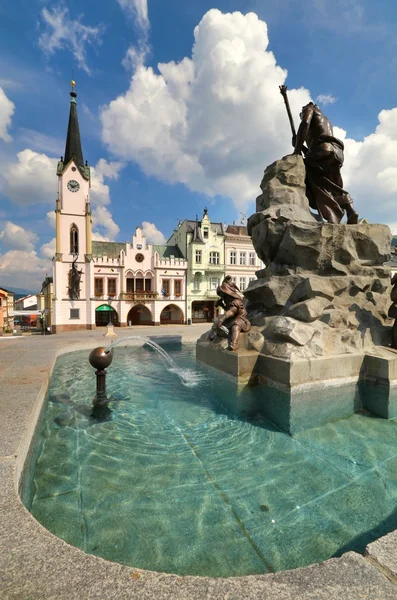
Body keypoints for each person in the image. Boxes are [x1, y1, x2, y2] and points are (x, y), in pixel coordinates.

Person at [293, 102, 358, 225]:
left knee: (310, 177)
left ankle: (332, 216)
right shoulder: (324, 119)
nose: (301, 115)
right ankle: (350, 210)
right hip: (335, 152)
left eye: (301, 114)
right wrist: (301, 148)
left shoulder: (309, 108)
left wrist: (296, 149)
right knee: (332, 186)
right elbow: (317, 145)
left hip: (323, 150)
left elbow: (305, 124)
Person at [215, 276, 251, 351]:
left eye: (222, 294)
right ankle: (215, 335)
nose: (222, 296)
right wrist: (222, 305)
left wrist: (222, 319)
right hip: (233, 318)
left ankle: (234, 344)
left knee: (236, 326)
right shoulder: (229, 301)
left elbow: (231, 312)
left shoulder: (236, 301)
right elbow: (228, 310)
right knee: (219, 322)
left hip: (241, 318)